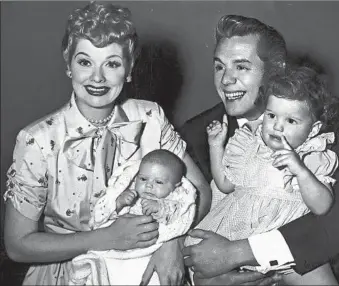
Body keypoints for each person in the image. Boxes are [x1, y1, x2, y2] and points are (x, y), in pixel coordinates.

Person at [3, 2, 211, 285]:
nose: (97, 77)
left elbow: (201, 191)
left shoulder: (150, 116)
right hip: (67, 273)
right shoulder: (37, 140)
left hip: (147, 263)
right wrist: (106, 238)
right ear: (68, 65)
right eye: (85, 62)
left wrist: (170, 241)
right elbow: (17, 245)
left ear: (129, 69)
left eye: (112, 63)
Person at [181, 15, 339, 285]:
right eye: (219, 67)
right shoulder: (197, 135)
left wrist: (238, 253)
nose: (226, 80)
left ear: (274, 71)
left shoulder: (334, 119)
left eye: (241, 67)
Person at [185, 63, 339, 285]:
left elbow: (322, 205)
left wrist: (301, 171)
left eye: (291, 121)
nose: (277, 126)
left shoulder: (310, 155)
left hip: (284, 244)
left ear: (313, 130)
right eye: (271, 115)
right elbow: (225, 184)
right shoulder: (249, 144)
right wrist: (216, 146)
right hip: (234, 236)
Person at [70, 149, 197, 285]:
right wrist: (118, 203)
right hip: (116, 251)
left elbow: (178, 217)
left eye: (159, 182)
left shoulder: (173, 200)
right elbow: (103, 216)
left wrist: (160, 208)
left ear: (175, 187)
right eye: (143, 179)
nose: (149, 185)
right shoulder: (132, 196)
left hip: (148, 253)